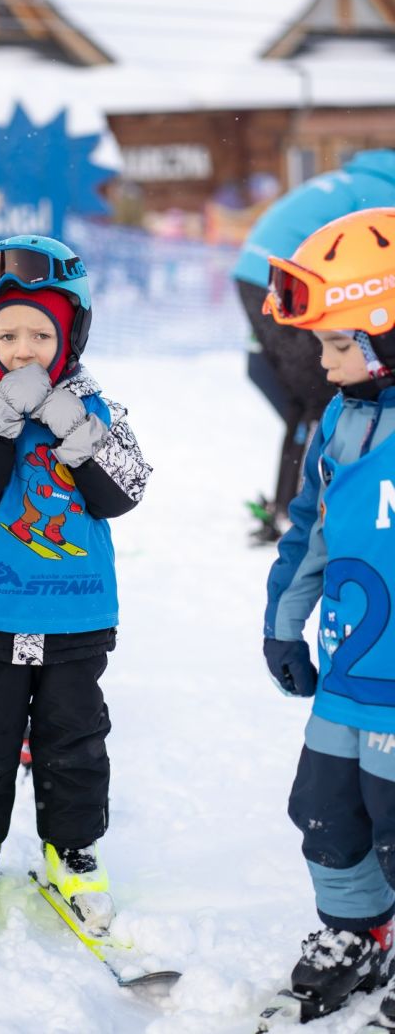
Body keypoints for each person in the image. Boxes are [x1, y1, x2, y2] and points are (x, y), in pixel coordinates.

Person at [0, 234, 152, 931]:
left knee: (74, 740)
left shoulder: (100, 410)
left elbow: (125, 491)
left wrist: (77, 431)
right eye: (8, 335)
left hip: (75, 614)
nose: (23, 349)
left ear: (70, 336)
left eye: (40, 335)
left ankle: (73, 850)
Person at [262, 208, 395, 1027]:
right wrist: (285, 624)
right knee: (325, 811)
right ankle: (358, 932)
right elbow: (309, 529)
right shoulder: (340, 423)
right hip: (348, 673)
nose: (324, 360)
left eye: (340, 343)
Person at [233, 149, 395, 543]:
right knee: (323, 395)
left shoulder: (355, 179)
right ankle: (313, 503)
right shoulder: (382, 192)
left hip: (264, 276)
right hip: (291, 283)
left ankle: (290, 499)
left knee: (303, 399)